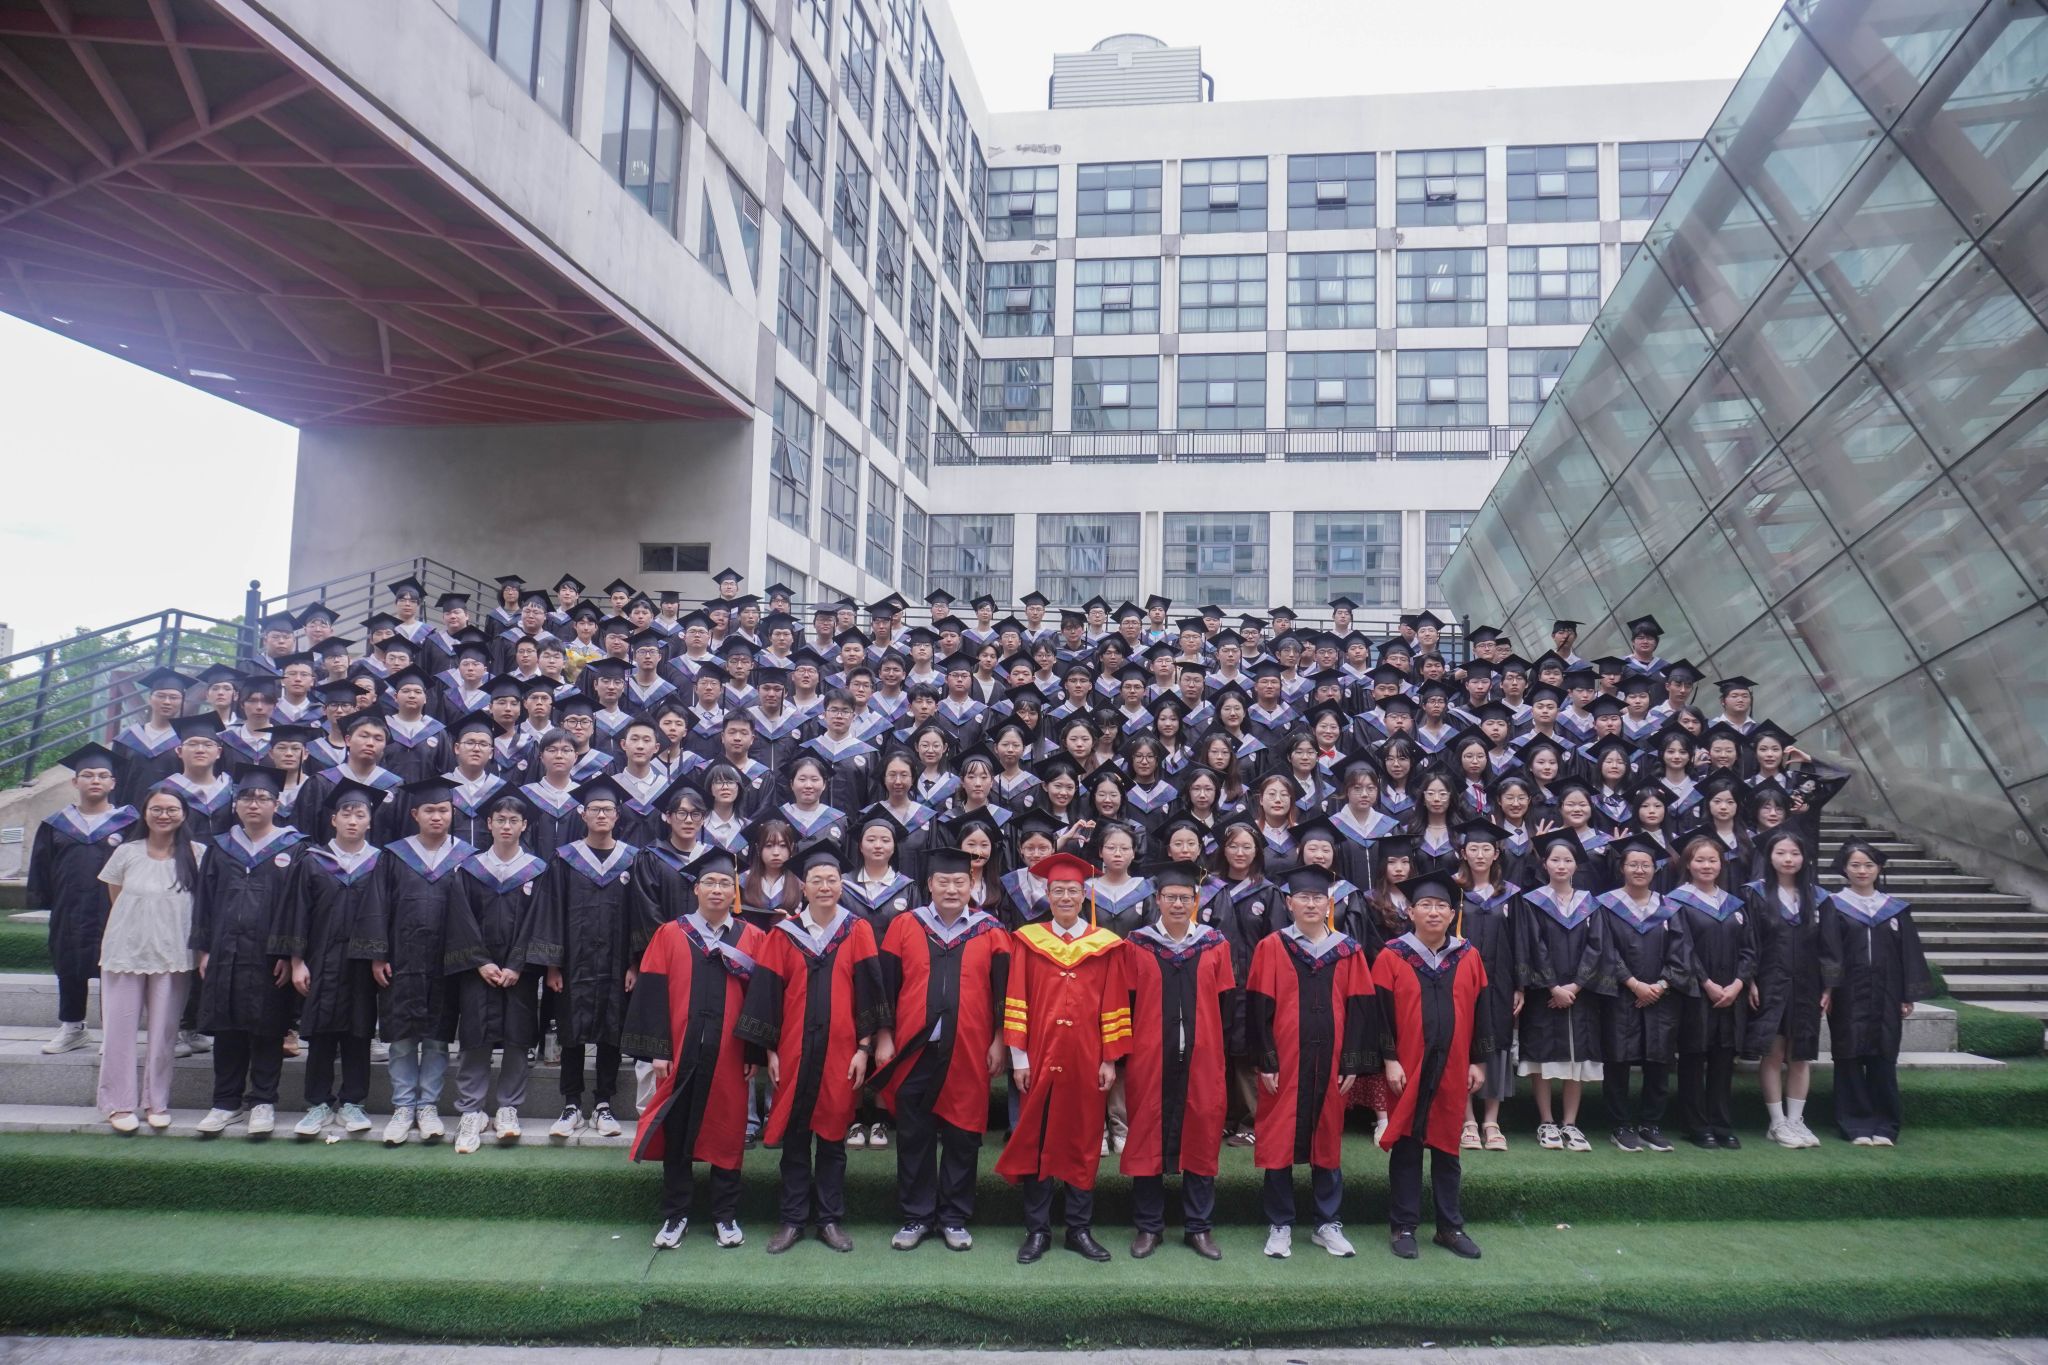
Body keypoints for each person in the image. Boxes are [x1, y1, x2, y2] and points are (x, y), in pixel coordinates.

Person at [735, 843, 887, 1254]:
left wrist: (863, 1048)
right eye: (816, 880)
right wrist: (769, 1051)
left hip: (842, 1052)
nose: (824, 887)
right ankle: (792, 1220)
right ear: (803, 887)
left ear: (842, 885)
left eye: (831, 880)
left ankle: (829, 1220)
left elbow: (869, 991)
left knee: (834, 1139)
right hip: (794, 1050)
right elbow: (767, 994)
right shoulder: (784, 934)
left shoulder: (857, 930)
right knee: (796, 1139)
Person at [869, 845, 1011, 1252]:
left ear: (972, 885)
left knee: (963, 1135)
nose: (951, 889)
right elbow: (886, 987)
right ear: (929, 884)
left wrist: (999, 1040)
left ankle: (953, 1217)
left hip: (969, 1050)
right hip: (914, 1050)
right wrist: (884, 1036)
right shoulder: (905, 926)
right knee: (914, 1135)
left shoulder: (991, 931)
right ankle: (916, 1216)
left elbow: (1003, 993)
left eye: (959, 882)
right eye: (943, 882)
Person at [624, 847, 765, 1250]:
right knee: (678, 1132)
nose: (717, 890)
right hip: (680, 1053)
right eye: (709, 883)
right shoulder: (671, 933)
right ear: (696, 889)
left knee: (727, 1132)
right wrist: (658, 1049)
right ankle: (676, 1215)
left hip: (730, 1054)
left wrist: (754, 1053)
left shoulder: (752, 937)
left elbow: (760, 1001)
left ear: (734, 891)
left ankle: (725, 1215)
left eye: (724, 883)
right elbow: (652, 993)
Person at [996, 851, 1129, 1265]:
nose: (1066, 897)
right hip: (1037, 1057)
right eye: (1058, 890)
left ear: (1084, 894)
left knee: (1083, 1142)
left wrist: (1109, 1060)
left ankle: (1078, 1229)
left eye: (1073, 890)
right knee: (1036, 1141)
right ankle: (1037, 1230)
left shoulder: (1105, 945)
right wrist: (1019, 1059)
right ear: (1048, 895)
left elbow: (1114, 1003)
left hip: (1087, 1060)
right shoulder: (1027, 941)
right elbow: (1016, 999)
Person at [1246, 862, 1375, 1259]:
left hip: (1331, 1061)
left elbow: (1361, 1009)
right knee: (1279, 1137)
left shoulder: (1348, 950)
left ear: (1329, 903)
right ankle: (1280, 1224)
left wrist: (1351, 1061)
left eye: (1319, 897)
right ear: (1289, 903)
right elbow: (1258, 1009)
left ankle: (1327, 1223)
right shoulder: (1272, 947)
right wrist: (1266, 1059)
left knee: (1328, 1137)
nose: (1311, 904)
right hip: (1285, 1062)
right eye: (1303, 897)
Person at [1118, 859, 1236, 1260]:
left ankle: (1198, 1227)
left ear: (1196, 900)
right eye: (1171, 897)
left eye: (1185, 897)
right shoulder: (1137, 944)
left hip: (1203, 1058)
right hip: (1150, 1057)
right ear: (1157, 899)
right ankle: (1148, 1227)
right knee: (1147, 1134)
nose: (1178, 904)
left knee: (1201, 1134)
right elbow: (1126, 1001)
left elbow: (1226, 1003)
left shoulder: (1215, 944)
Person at [1374, 873, 1487, 1260]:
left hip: (1453, 1067)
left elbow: (1482, 1011)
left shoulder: (1468, 956)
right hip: (1407, 1068)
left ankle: (1449, 1227)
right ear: (1411, 912)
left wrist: (1478, 1061)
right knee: (1407, 1146)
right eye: (1426, 905)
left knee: (1447, 1148)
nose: (1434, 912)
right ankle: (1403, 1225)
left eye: (1441, 906)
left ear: (1453, 914)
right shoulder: (1392, 956)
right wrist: (1390, 1060)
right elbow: (1380, 1015)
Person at [190, 764, 307, 1137]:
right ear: (236, 804)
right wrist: (204, 950)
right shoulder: (221, 847)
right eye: (246, 798)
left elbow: (299, 906)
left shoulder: (294, 847)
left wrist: (290, 954)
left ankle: (262, 1102)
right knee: (227, 1028)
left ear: (277, 804)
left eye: (262, 798)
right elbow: (204, 900)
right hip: (226, 951)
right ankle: (225, 1103)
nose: (254, 804)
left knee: (268, 1028)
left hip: (269, 956)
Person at [273, 779, 388, 1140]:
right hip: (320, 959)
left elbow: (387, 915)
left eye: (360, 814)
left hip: (362, 961)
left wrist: (380, 956)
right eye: (346, 814)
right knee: (321, 1032)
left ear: (370, 821)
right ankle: (317, 1103)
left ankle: (353, 1101)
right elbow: (297, 912)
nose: (353, 820)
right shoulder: (312, 861)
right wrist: (296, 960)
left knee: (359, 1031)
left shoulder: (380, 862)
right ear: (333, 819)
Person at [528, 775, 642, 1140]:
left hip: (616, 963)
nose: (602, 814)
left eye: (608, 809)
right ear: (582, 814)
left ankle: (604, 1103)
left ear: (618, 815)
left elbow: (640, 916)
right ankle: (572, 1104)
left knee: (611, 1030)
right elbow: (551, 911)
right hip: (573, 964)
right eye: (595, 809)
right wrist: (552, 965)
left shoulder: (633, 860)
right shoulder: (565, 860)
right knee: (572, 1032)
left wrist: (635, 963)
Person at [93, 785, 202, 1132]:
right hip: (125, 953)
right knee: (118, 1032)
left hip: (173, 955)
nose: (163, 815)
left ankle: (156, 1101)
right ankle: (118, 1104)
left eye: (171, 809)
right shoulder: (126, 852)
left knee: (164, 1034)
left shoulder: (197, 854)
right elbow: (117, 897)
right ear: (145, 813)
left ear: (183, 814)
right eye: (156, 809)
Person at [375, 774, 475, 1145]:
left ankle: (428, 1105)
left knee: (436, 1037)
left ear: (453, 813)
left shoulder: (466, 858)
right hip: (402, 959)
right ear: (414, 814)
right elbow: (377, 908)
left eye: (443, 810)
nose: (437, 816)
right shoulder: (393, 855)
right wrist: (378, 955)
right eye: (429, 810)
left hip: (447, 961)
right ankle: (403, 1106)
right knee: (402, 1037)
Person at [444, 793, 546, 1153]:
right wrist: (481, 961)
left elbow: (538, 922)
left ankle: (507, 1108)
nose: (506, 826)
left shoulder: (537, 870)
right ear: (488, 823)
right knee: (475, 1035)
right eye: (500, 819)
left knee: (518, 1037)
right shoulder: (470, 870)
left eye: (513, 820)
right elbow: (460, 919)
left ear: (524, 826)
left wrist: (517, 964)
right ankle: (471, 1110)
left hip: (520, 972)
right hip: (478, 970)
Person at [1820, 838, 1934, 1146]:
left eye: (1869, 865)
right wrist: (1829, 988)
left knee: (1884, 1056)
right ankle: (1855, 1124)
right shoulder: (1833, 905)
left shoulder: (1894, 909)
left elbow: (1908, 952)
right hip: (1848, 993)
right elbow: (1828, 950)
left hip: (1887, 992)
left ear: (1878, 868)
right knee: (1849, 1055)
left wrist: (1907, 994)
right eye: (1855, 865)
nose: (1862, 871)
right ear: (1844, 869)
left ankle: (1886, 1125)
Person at [29, 744, 137, 1056]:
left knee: (114, 969)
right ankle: (72, 1028)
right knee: (68, 964)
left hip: (114, 908)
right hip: (69, 908)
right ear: (75, 782)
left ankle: (113, 1032)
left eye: (103, 775)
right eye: (87, 775)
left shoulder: (129, 822)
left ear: (113, 783)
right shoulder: (56, 824)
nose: (95, 780)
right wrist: (47, 902)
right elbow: (42, 868)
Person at [1593, 835, 1690, 1154]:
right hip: (1621, 995)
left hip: (1662, 997)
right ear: (1622, 868)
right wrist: (1633, 983)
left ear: (1655, 869)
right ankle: (1620, 1125)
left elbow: (1682, 951)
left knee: (1658, 1060)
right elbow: (1604, 950)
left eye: (1645, 865)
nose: (1639, 869)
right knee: (1618, 1060)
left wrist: (1661, 985)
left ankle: (1651, 1124)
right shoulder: (1606, 905)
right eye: (1633, 864)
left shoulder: (1670, 908)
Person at [1513, 831, 1604, 1152]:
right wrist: (1553, 986)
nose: (1561, 865)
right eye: (1555, 860)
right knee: (1543, 1058)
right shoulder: (1533, 902)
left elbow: (1597, 948)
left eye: (1567, 860)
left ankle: (1571, 1123)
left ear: (1576, 865)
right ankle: (1546, 1121)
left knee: (1575, 1060)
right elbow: (1533, 946)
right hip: (1544, 993)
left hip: (1579, 994)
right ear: (1545, 864)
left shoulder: (1590, 903)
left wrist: (1575, 986)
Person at [1670, 834, 1756, 1150]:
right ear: (1688, 865)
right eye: (1700, 860)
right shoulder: (1677, 902)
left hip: (1731, 994)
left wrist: (1738, 983)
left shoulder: (1735, 905)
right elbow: (1682, 949)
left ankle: (1721, 1124)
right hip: (1695, 994)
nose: (1706, 865)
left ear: (1721, 865)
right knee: (1693, 1059)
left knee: (1723, 1061)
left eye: (1712, 860)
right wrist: (1707, 983)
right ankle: (1696, 1125)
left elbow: (1749, 949)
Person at [1746, 829, 1824, 1149]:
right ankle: (1776, 1121)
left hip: (1808, 985)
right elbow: (1749, 941)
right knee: (1773, 1052)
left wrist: (1830, 987)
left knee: (1800, 1054)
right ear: (1769, 857)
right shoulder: (1755, 894)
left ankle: (1795, 1120)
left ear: (1804, 858)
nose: (1788, 859)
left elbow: (1829, 947)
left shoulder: (1818, 898)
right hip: (1770, 982)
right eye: (1780, 853)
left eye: (1794, 853)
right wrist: (1750, 980)